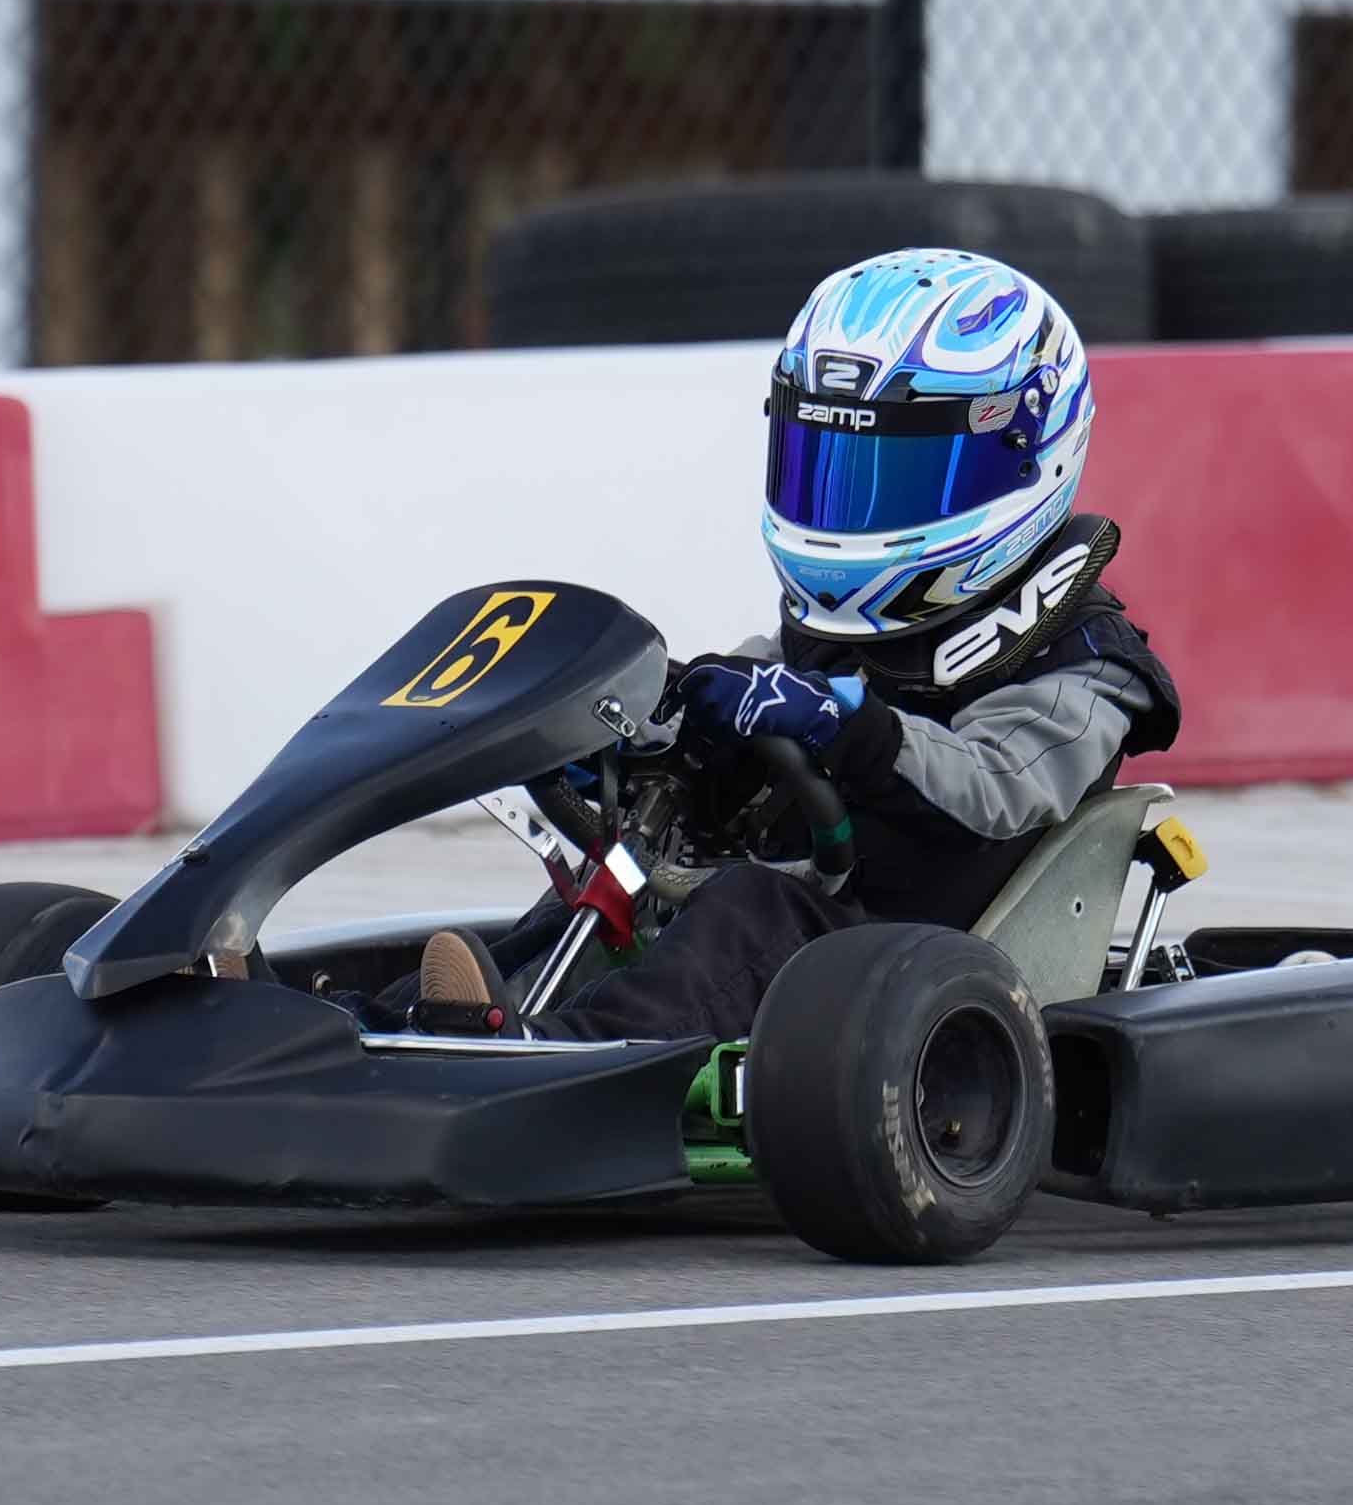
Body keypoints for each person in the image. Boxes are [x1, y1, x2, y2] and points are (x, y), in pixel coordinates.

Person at [420, 243, 1179, 1044]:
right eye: (836, 467)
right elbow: (743, 697)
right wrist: (629, 730)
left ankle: (555, 1061)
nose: (856, 509)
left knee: (748, 911)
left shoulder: (1085, 662)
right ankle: (405, 1023)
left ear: (1022, 453)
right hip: (809, 931)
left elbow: (993, 793)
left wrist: (845, 724)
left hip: (907, 978)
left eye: (896, 474)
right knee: (621, 872)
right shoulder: (835, 638)